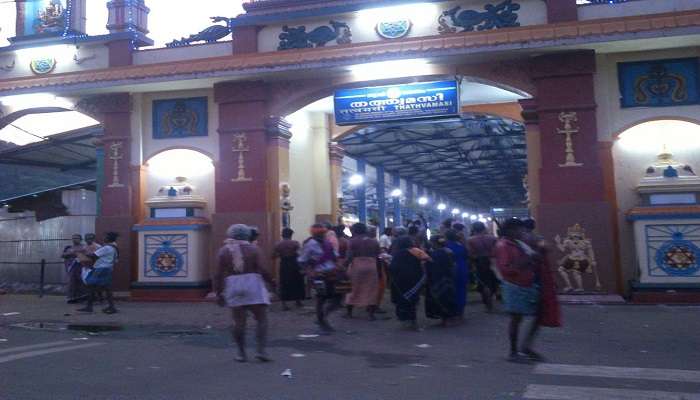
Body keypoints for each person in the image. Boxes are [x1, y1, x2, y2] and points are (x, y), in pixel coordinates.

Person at [494, 218, 561, 363]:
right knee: (516, 319)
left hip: (527, 284)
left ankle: (525, 346)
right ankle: (513, 352)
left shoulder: (519, 244)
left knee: (538, 315)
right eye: (520, 230)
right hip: (515, 285)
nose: (522, 232)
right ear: (511, 230)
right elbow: (506, 268)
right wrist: (529, 259)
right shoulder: (503, 245)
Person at [214, 224, 275, 362]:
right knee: (261, 319)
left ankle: (241, 353)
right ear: (247, 235)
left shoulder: (223, 251)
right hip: (253, 283)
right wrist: (272, 283)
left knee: (239, 322)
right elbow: (263, 269)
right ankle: (261, 351)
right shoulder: (254, 249)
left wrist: (219, 293)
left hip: (233, 284)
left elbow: (218, 274)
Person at [299, 224, 341, 334]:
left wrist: (338, 265)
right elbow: (302, 260)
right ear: (314, 233)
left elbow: (335, 256)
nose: (322, 234)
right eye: (319, 233)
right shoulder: (310, 244)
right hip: (319, 275)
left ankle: (322, 317)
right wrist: (310, 272)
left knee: (337, 298)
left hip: (331, 274)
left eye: (323, 233)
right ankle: (322, 322)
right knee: (321, 299)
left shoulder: (327, 243)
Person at [389, 236, 430, 330]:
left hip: (400, 280)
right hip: (414, 279)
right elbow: (428, 259)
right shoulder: (416, 251)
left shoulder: (397, 254)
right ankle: (413, 322)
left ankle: (405, 320)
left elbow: (392, 267)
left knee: (402, 299)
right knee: (412, 300)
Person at [344, 223, 381, 320]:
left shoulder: (352, 241)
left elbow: (349, 257)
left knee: (353, 288)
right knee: (371, 290)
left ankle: (349, 313)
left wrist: (344, 266)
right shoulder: (374, 241)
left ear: (355, 230)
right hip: (371, 266)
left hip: (357, 265)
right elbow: (378, 255)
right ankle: (371, 315)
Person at [77, 232, 119, 314]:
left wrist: (82, 252)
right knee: (107, 288)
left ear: (108, 238)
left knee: (91, 286)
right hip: (108, 268)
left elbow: (93, 255)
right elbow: (116, 260)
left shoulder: (106, 248)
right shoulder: (114, 247)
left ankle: (89, 307)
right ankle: (111, 307)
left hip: (100, 269)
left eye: (105, 237)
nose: (103, 238)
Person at [425, 235, 459, 326]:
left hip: (438, 279)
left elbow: (429, 267)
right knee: (449, 297)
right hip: (448, 278)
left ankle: (445, 320)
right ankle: (450, 318)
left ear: (435, 243)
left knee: (440, 298)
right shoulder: (449, 251)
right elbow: (453, 265)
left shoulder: (434, 254)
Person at [467, 221, 498, 311]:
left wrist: (471, 264)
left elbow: (470, 254)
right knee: (492, 280)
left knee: (483, 282)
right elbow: (497, 251)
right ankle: (491, 297)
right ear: (484, 228)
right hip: (492, 261)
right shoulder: (492, 238)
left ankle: (487, 304)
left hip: (479, 262)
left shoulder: (471, 240)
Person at [272, 228, 304, 311]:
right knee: (297, 281)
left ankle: (284, 304)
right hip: (294, 263)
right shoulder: (295, 243)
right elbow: (300, 254)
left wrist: (281, 254)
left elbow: (273, 256)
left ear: (282, 234)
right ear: (291, 235)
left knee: (284, 282)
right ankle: (298, 301)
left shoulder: (278, 244)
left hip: (284, 264)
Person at [445, 229, 469, 318]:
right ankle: (461, 313)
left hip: (451, 270)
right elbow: (467, 255)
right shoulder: (461, 246)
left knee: (452, 290)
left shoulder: (446, 246)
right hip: (462, 268)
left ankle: (453, 311)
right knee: (462, 290)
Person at [62, 234, 86, 304]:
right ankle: (71, 297)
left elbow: (86, 255)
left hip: (81, 267)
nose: (75, 239)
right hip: (71, 267)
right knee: (71, 282)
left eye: (77, 238)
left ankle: (82, 297)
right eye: (73, 238)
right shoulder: (68, 247)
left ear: (81, 239)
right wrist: (71, 253)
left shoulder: (84, 247)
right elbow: (63, 255)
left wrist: (75, 253)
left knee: (81, 281)